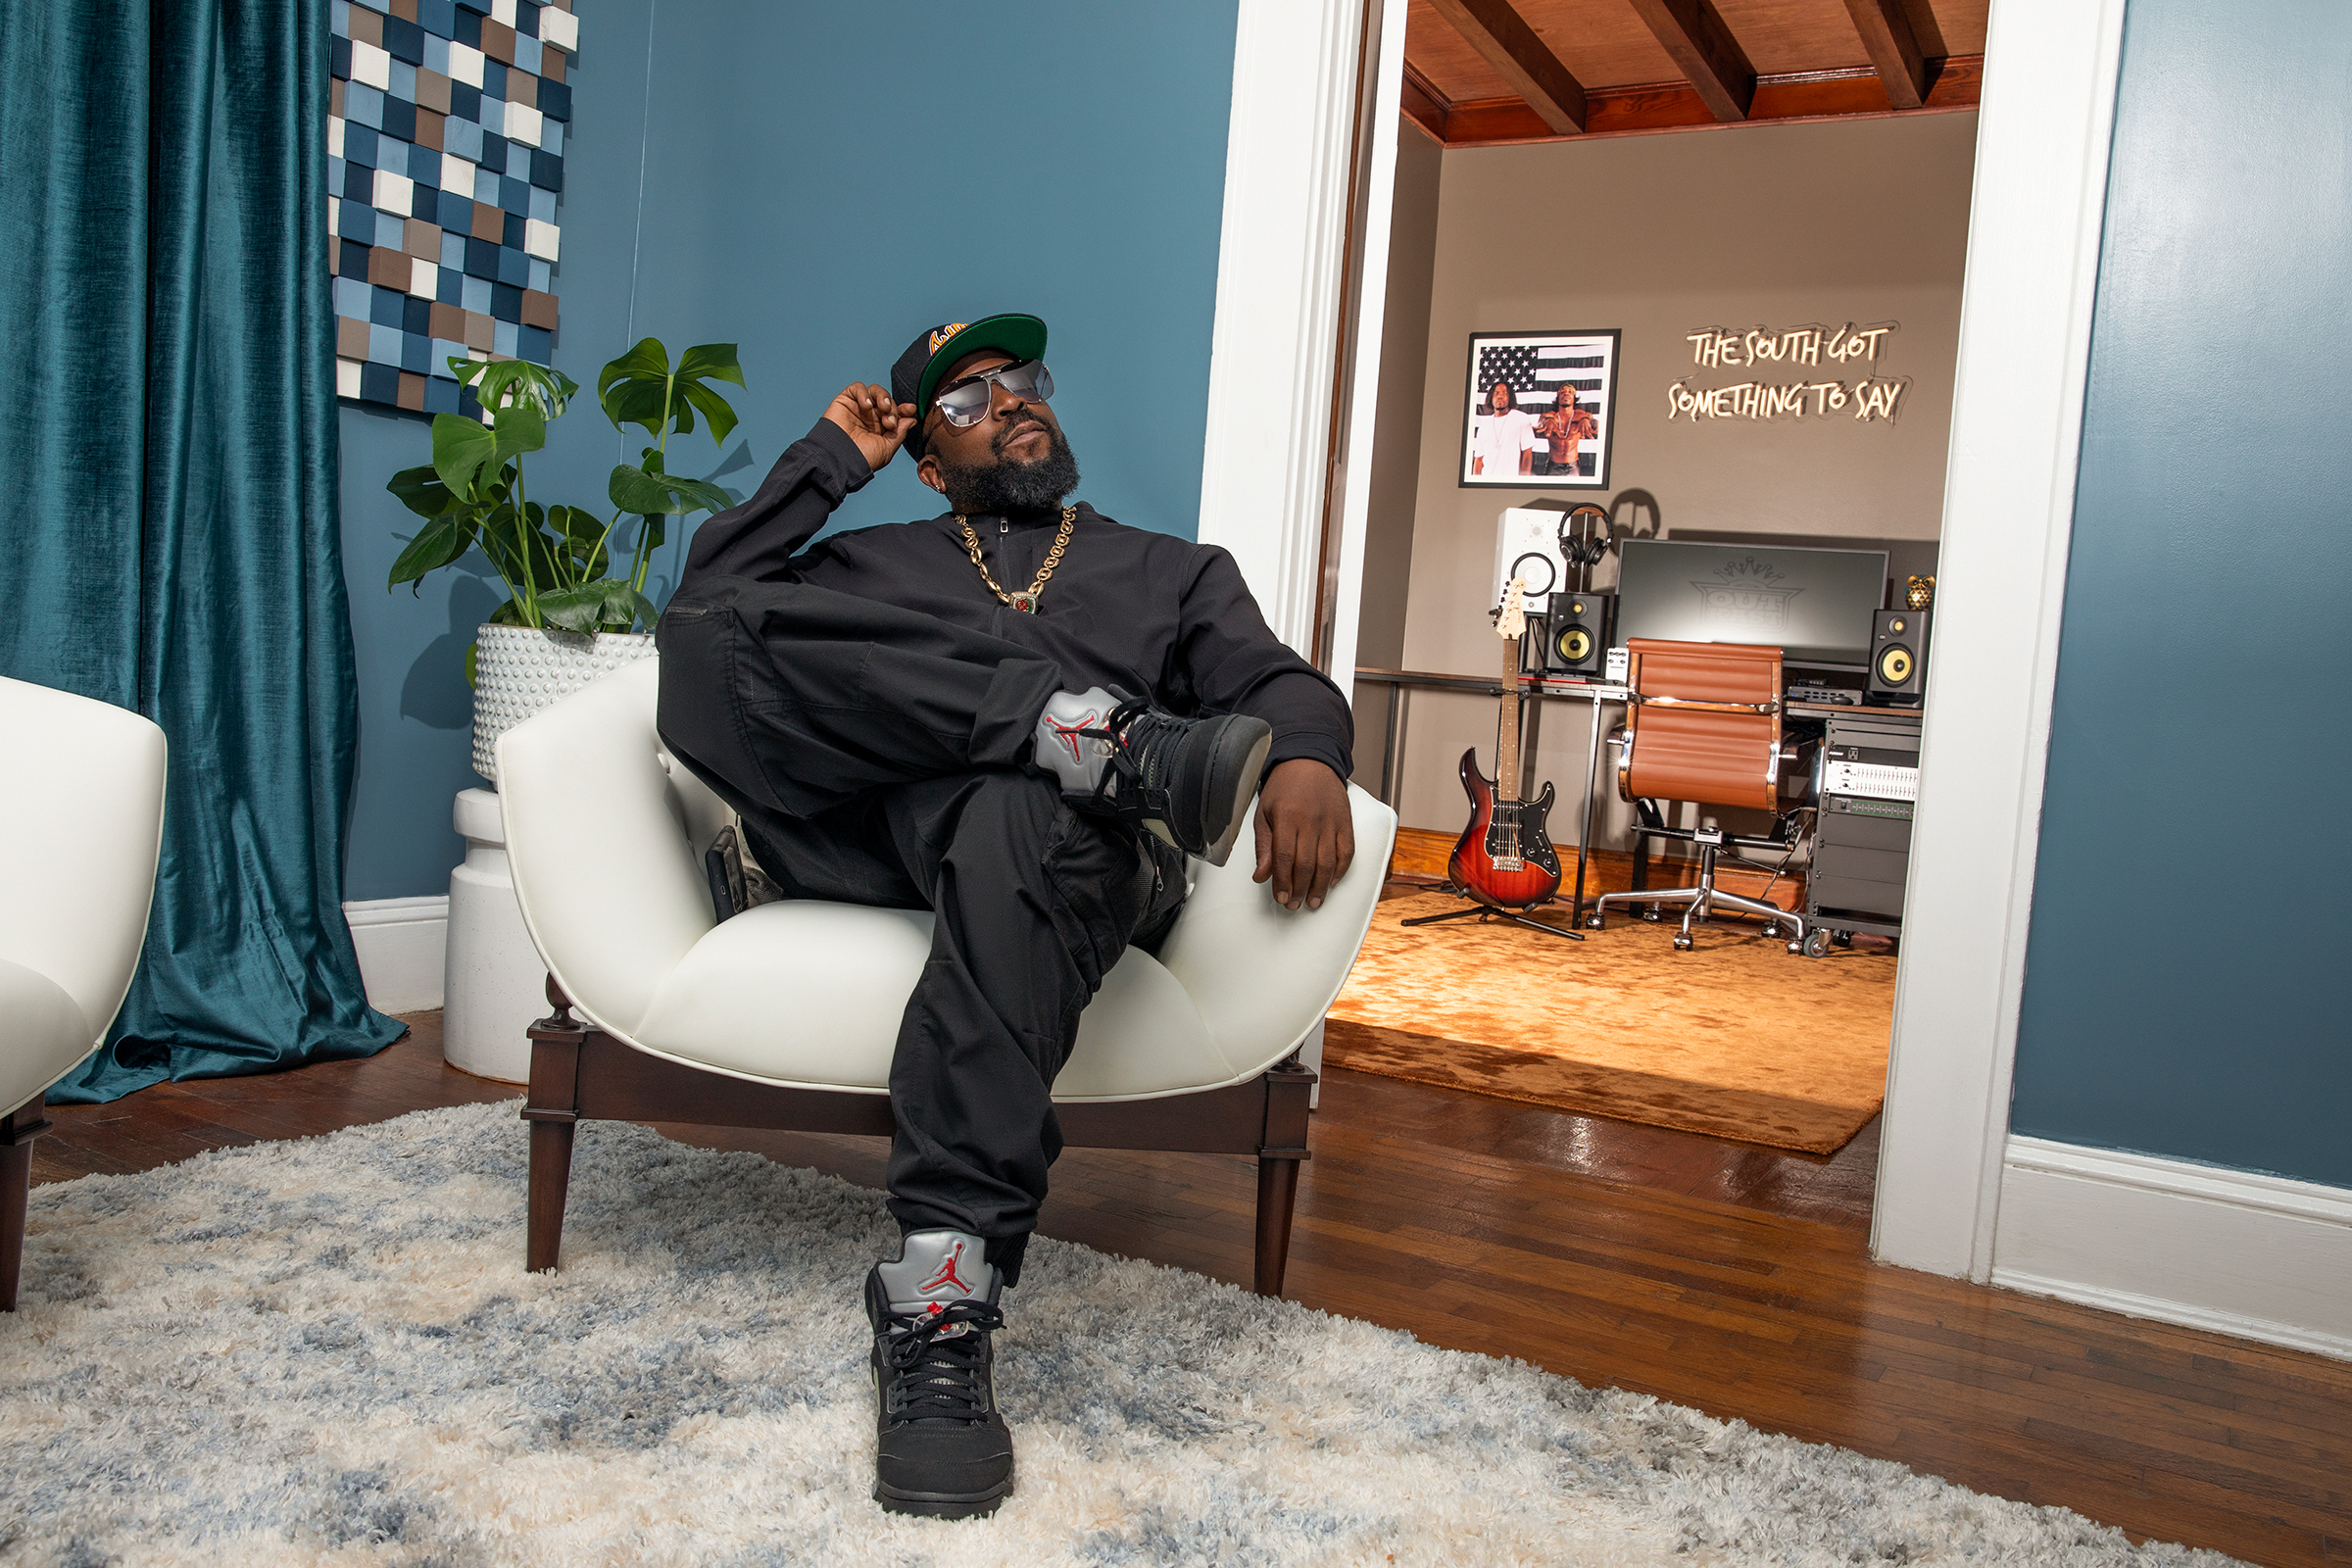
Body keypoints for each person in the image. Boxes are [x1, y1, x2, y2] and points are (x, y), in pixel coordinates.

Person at [656, 314, 1357, 1520]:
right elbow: (713, 609)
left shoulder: (1171, 569)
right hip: (875, 840)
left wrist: (1309, 756)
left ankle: (940, 1297)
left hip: (1073, 863)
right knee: (712, 634)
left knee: (1012, 820)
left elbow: (1278, 681)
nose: (1009, 401)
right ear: (927, 460)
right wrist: (829, 462)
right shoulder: (877, 564)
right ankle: (1095, 738)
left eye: (1020, 380)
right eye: (967, 401)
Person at [1469, 379, 1536, 478]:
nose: (1500, 396)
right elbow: (1478, 460)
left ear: (1510, 397)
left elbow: (1527, 455)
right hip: (1487, 482)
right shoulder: (1484, 426)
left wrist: (1523, 480)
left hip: (1510, 482)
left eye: (1504, 393)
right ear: (1491, 398)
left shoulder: (1521, 418)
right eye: (1496, 393)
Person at [1534, 387, 1597, 478]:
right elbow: (1540, 422)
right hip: (1553, 466)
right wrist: (1547, 420)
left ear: (1574, 397)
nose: (1566, 394)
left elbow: (1597, 426)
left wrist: (1587, 420)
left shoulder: (1582, 415)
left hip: (1573, 465)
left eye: (1570, 392)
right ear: (1558, 398)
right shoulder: (1550, 416)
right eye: (1562, 392)